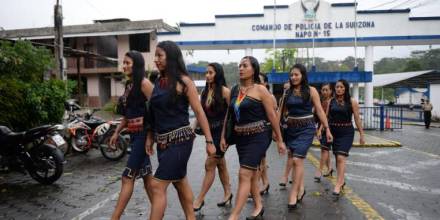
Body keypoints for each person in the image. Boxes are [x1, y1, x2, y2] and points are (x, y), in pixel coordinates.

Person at [147, 41, 216, 220]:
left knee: (157, 186)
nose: (156, 60)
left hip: (180, 141)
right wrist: (149, 136)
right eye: (155, 56)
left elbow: (199, 112)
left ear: (170, 56)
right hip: (162, 142)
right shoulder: (158, 80)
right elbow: (153, 111)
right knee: (180, 182)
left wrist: (209, 141)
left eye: (160, 55)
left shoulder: (184, 81)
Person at [221, 56, 286, 220]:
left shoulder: (260, 90)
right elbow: (229, 116)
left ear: (254, 70)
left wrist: (279, 140)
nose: (240, 68)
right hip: (241, 138)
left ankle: (234, 216)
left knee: (244, 174)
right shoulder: (235, 90)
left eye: (245, 65)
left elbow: (272, 116)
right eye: (239, 65)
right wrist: (224, 137)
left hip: (259, 136)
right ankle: (258, 206)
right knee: (251, 175)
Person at [109, 51, 154, 220]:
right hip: (134, 136)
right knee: (148, 180)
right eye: (124, 63)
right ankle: (158, 213)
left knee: (127, 177)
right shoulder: (129, 86)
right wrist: (116, 132)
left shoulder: (145, 84)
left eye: (128, 62)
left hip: (142, 137)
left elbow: (155, 111)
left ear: (137, 64)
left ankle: (115, 218)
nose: (125, 65)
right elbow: (128, 115)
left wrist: (151, 136)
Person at [280, 64, 332, 210]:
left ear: (302, 75)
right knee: (295, 159)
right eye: (291, 75)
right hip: (290, 129)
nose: (293, 77)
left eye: (296, 74)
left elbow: (320, 111)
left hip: (306, 129)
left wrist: (326, 129)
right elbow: (281, 111)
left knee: (297, 159)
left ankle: (294, 193)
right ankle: (301, 188)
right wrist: (277, 132)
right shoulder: (287, 91)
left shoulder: (311, 90)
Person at [192, 63, 233, 211]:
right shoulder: (205, 92)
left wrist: (225, 137)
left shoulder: (225, 91)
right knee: (220, 164)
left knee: (209, 164)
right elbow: (200, 113)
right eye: (206, 73)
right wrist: (193, 128)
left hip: (222, 134)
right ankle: (228, 193)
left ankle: (199, 199)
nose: (207, 75)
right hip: (210, 134)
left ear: (218, 74)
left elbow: (232, 116)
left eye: (210, 72)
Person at [328, 79, 365, 198]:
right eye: (337, 87)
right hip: (334, 132)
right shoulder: (331, 101)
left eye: (341, 87)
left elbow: (357, 119)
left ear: (346, 88)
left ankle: (338, 184)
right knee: (338, 159)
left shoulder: (352, 101)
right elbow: (326, 117)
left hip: (346, 132)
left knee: (340, 157)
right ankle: (341, 180)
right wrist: (323, 130)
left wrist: (362, 135)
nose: (339, 89)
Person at [254, 73, 277, 195]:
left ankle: (255, 188)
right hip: (256, 131)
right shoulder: (253, 95)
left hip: (266, 131)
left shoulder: (270, 97)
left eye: (260, 81)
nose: (257, 83)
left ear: (266, 83)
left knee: (258, 158)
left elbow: (274, 116)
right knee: (261, 158)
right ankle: (265, 182)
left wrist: (275, 132)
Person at [314, 83, 334, 182]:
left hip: (328, 128)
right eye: (323, 90)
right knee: (325, 149)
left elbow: (325, 116)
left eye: (327, 90)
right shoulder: (322, 101)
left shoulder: (331, 101)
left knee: (324, 150)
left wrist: (321, 128)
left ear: (331, 91)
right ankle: (329, 168)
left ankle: (320, 170)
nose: (324, 92)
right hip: (321, 127)